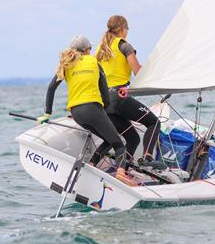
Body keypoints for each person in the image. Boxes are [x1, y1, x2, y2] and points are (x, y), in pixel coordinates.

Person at [37, 35, 130, 172]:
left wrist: (47, 113)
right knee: (119, 144)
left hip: (76, 113)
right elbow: (105, 93)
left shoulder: (66, 63)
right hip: (93, 109)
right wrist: (103, 111)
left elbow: (51, 88)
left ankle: (91, 165)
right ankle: (121, 172)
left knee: (108, 139)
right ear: (87, 50)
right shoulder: (94, 62)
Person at [94, 15, 165, 170]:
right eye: (127, 28)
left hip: (104, 102)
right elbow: (137, 71)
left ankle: (121, 169)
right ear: (122, 29)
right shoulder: (124, 46)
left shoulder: (100, 49)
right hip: (119, 97)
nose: (128, 31)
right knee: (154, 122)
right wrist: (157, 78)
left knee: (132, 138)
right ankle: (147, 157)